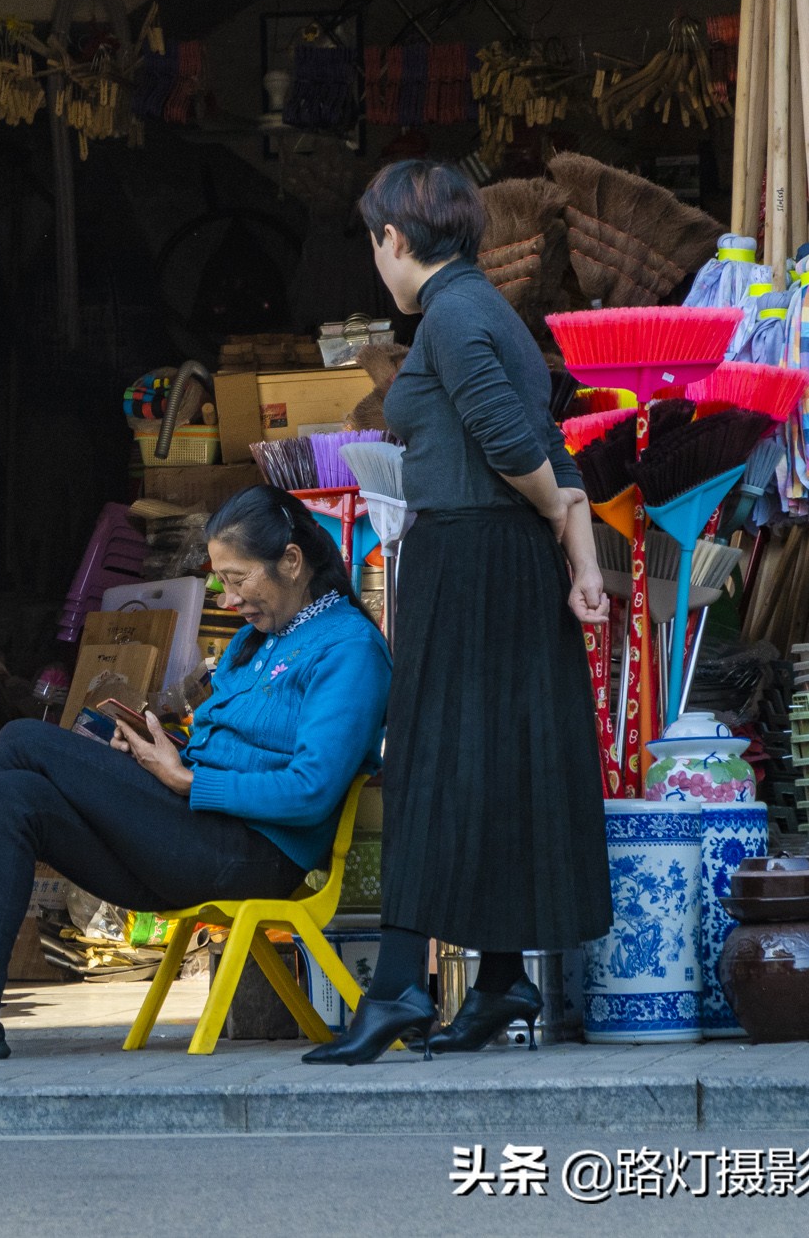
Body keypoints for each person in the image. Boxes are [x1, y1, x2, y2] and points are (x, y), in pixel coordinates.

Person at [0, 485, 390, 1062]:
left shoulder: (349, 649)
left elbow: (311, 790)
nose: (229, 596)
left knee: (22, 738)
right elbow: (223, 754)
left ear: (291, 561)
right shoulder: (254, 641)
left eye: (238, 578)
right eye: (220, 580)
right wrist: (159, 754)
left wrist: (187, 781)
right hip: (193, 838)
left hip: (252, 859)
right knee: (16, 793)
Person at [305, 160, 611, 1066]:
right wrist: (580, 562)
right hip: (506, 563)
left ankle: (398, 986)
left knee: (430, 760)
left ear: (394, 239)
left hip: (470, 558)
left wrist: (556, 515)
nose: (377, 262)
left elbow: (516, 444)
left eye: (375, 244)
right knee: (498, 763)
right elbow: (553, 443)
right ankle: (502, 978)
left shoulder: (448, 316)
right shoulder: (494, 313)